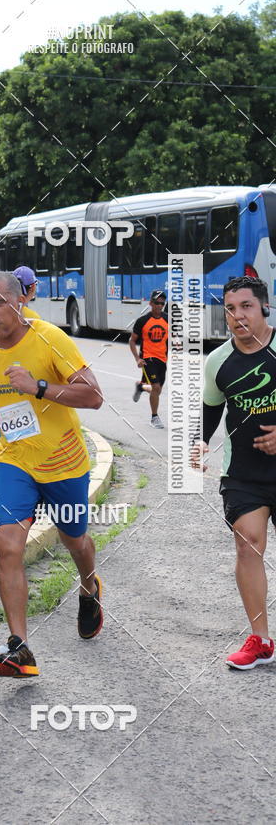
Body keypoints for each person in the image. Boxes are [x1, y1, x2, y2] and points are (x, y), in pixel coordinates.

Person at [0, 272, 104, 677]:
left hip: (63, 461)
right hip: (15, 461)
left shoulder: (49, 339)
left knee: (74, 541)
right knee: (7, 546)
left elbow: (94, 395)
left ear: (20, 301)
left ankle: (89, 586)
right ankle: (19, 647)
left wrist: (38, 387)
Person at [193, 275, 276, 670]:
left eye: (246, 306)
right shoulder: (218, 361)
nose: (238, 315)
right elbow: (210, 409)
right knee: (247, 543)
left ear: (264, 308)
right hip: (243, 473)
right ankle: (260, 640)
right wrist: (198, 441)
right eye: (230, 308)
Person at [130, 290, 168, 428]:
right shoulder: (142, 321)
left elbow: (170, 337)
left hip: (162, 359)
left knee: (157, 390)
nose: (160, 306)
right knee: (156, 387)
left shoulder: (167, 319)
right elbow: (132, 341)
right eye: (157, 303)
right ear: (151, 303)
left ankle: (141, 387)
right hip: (147, 359)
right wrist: (137, 359)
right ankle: (154, 417)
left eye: (162, 303)